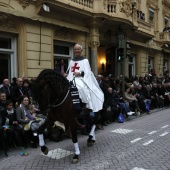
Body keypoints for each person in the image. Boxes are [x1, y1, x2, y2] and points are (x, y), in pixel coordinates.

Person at [64, 43, 104, 113]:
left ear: (81, 50)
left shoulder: (85, 60)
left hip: (81, 79)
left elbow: (88, 72)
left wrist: (79, 73)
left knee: (81, 88)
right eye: (75, 49)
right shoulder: (71, 61)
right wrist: (65, 74)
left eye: (78, 49)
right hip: (71, 78)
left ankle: (84, 105)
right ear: (74, 50)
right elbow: (68, 71)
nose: (77, 51)